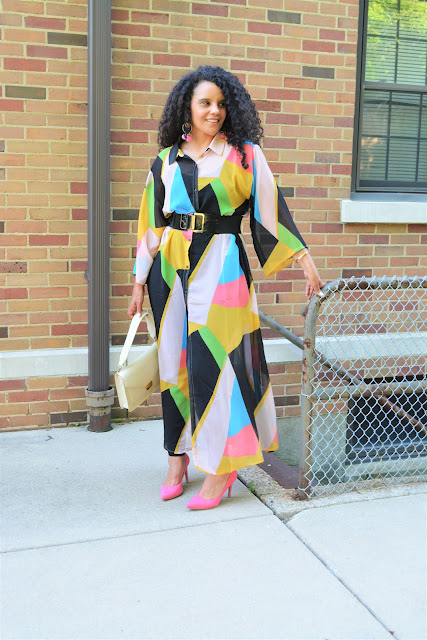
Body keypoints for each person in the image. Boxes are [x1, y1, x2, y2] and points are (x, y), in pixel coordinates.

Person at [127, 65, 324, 510]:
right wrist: (139, 282)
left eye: (220, 103)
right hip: (169, 272)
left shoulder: (244, 155)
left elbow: (272, 210)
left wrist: (303, 258)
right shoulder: (165, 160)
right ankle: (177, 460)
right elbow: (150, 225)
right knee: (173, 364)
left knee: (219, 365)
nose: (214, 110)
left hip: (222, 267)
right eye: (205, 103)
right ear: (187, 108)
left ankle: (222, 467)